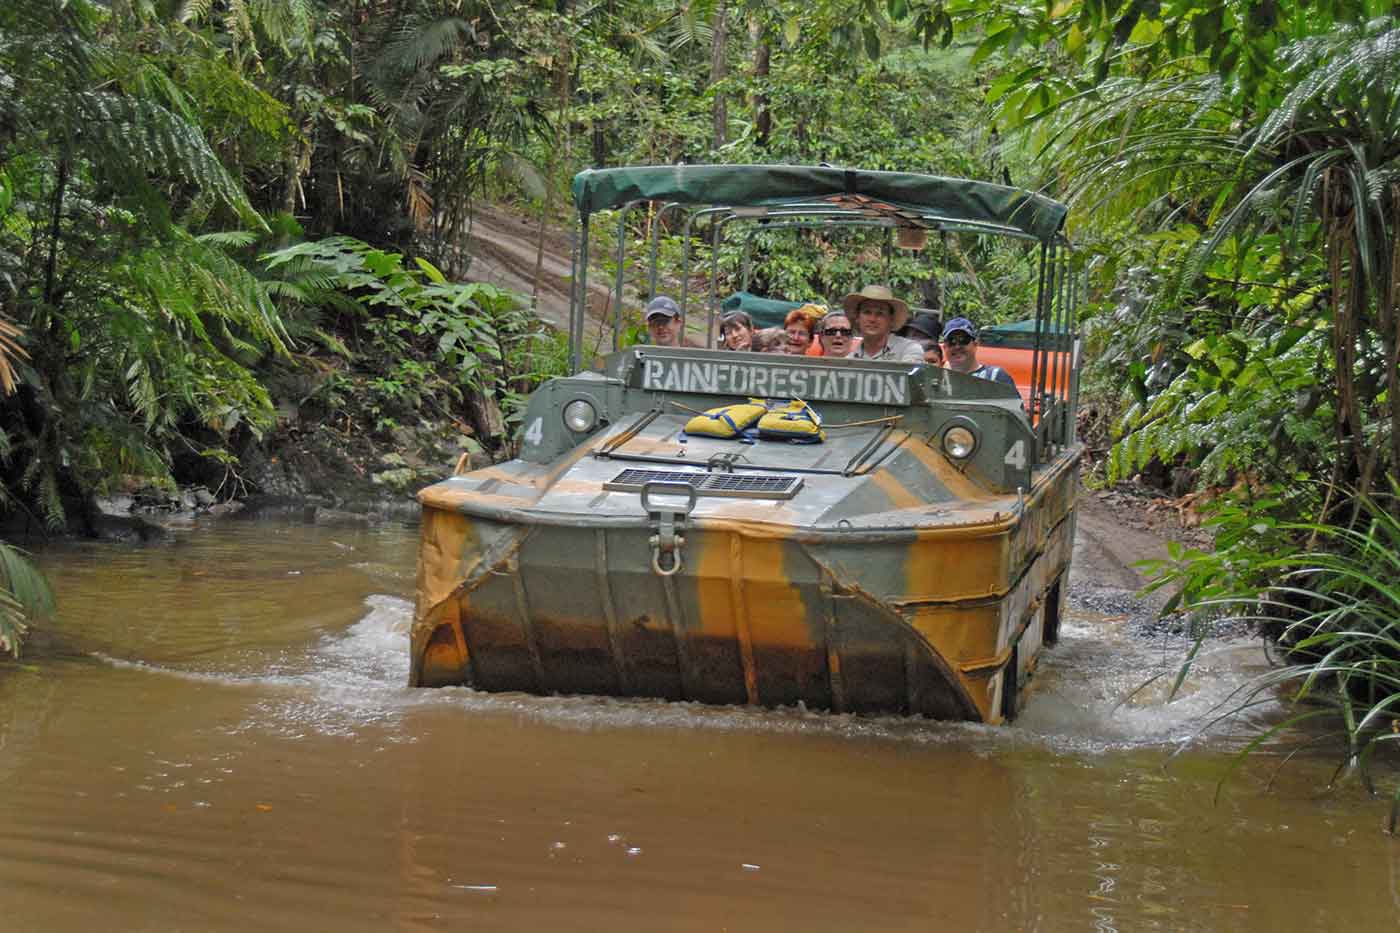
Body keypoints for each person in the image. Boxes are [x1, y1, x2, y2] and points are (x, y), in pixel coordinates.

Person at [841, 285, 924, 363]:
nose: (872, 319)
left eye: (880, 313)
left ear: (891, 319)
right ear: (857, 318)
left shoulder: (908, 349)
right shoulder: (849, 360)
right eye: (867, 312)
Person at [940, 316, 1016, 388]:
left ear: (975, 344)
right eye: (951, 342)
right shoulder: (938, 380)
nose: (957, 346)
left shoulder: (995, 376)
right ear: (944, 347)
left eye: (963, 340)